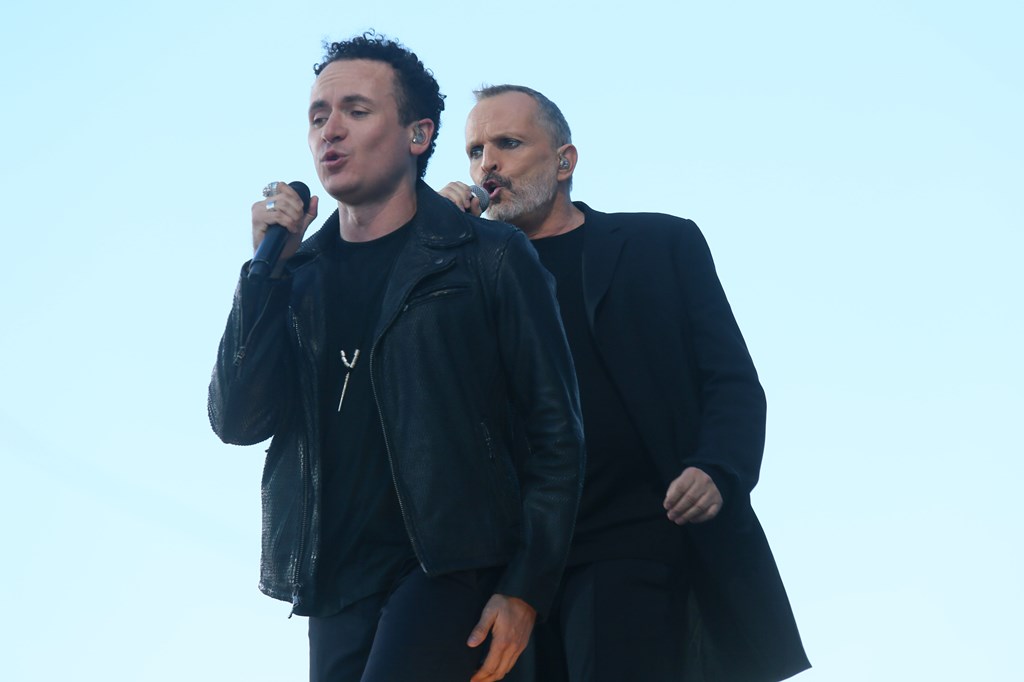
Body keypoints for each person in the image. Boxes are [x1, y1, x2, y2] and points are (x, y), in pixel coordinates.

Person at [208, 39, 585, 682]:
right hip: (333, 581)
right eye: (318, 114)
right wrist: (263, 274)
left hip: (454, 569)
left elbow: (557, 433)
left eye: (356, 110)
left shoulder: (487, 257)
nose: (331, 129)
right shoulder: (298, 277)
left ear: (418, 134)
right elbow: (239, 419)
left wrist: (526, 587)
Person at [441, 85, 810, 681]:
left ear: (566, 161)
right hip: (512, 566)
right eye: (475, 150)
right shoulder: (461, 274)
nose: (489, 165)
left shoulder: (658, 244)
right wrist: (437, 243)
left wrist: (718, 466)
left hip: (635, 535)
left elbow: (731, 380)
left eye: (508, 143)